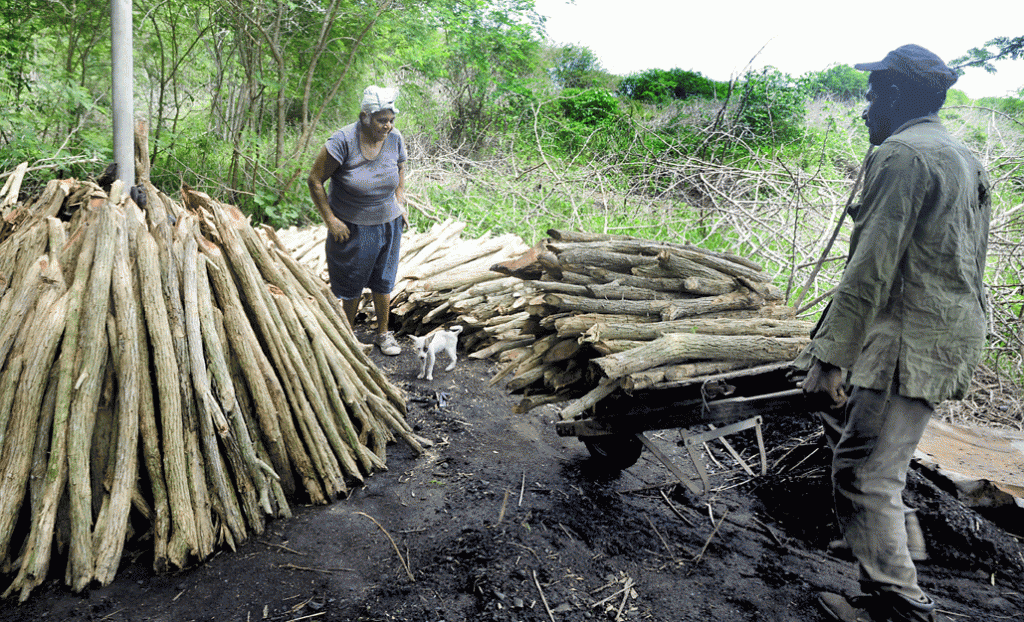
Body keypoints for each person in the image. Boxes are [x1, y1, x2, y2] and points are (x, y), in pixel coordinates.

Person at [797, 44, 990, 622]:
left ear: (901, 95)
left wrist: (830, 358)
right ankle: (894, 549)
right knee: (873, 451)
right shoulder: (962, 155)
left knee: (862, 472)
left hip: (908, 340)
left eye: (876, 93)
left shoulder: (904, 156)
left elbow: (870, 269)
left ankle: (898, 603)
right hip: (943, 334)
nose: (865, 106)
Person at [308, 85, 408, 355]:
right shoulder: (342, 141)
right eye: (381, 120)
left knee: (384, 280)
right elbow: (315, 180)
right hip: (351, 226)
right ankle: (348, 337)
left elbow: (400, 168)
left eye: (390, 120)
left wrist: (400, 200)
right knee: (351, 283)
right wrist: (330, 219)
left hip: (388, 222)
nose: (387, 126)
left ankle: (383, 334)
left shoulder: (395, 138)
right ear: (365, 117)